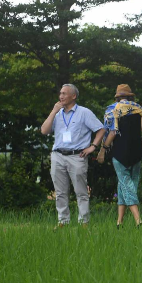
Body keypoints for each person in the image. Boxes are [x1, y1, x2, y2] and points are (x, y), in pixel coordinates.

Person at [39, 83, 105, 229]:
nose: (61, 96)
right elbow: (44, 130)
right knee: (60, 192)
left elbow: (101, 129)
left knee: (81, 191)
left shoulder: (84, 112)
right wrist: (54, 111)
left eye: (64, 93)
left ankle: (84, 222)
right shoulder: (57, 114)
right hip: (58, 155)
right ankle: (63, 221)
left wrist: (93, 146)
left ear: (73, 96)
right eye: (60, 93)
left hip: (77, 156)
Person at [97, 84, 142, 228]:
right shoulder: (138, 109)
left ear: (117, 96)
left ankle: (138, 220)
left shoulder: (112, 109)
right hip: (136, 153)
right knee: (126, 184)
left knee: (125, 184)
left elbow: (112, 132)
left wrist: (103, 150)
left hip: (119, 153)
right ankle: (119, 222)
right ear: (130, 96)